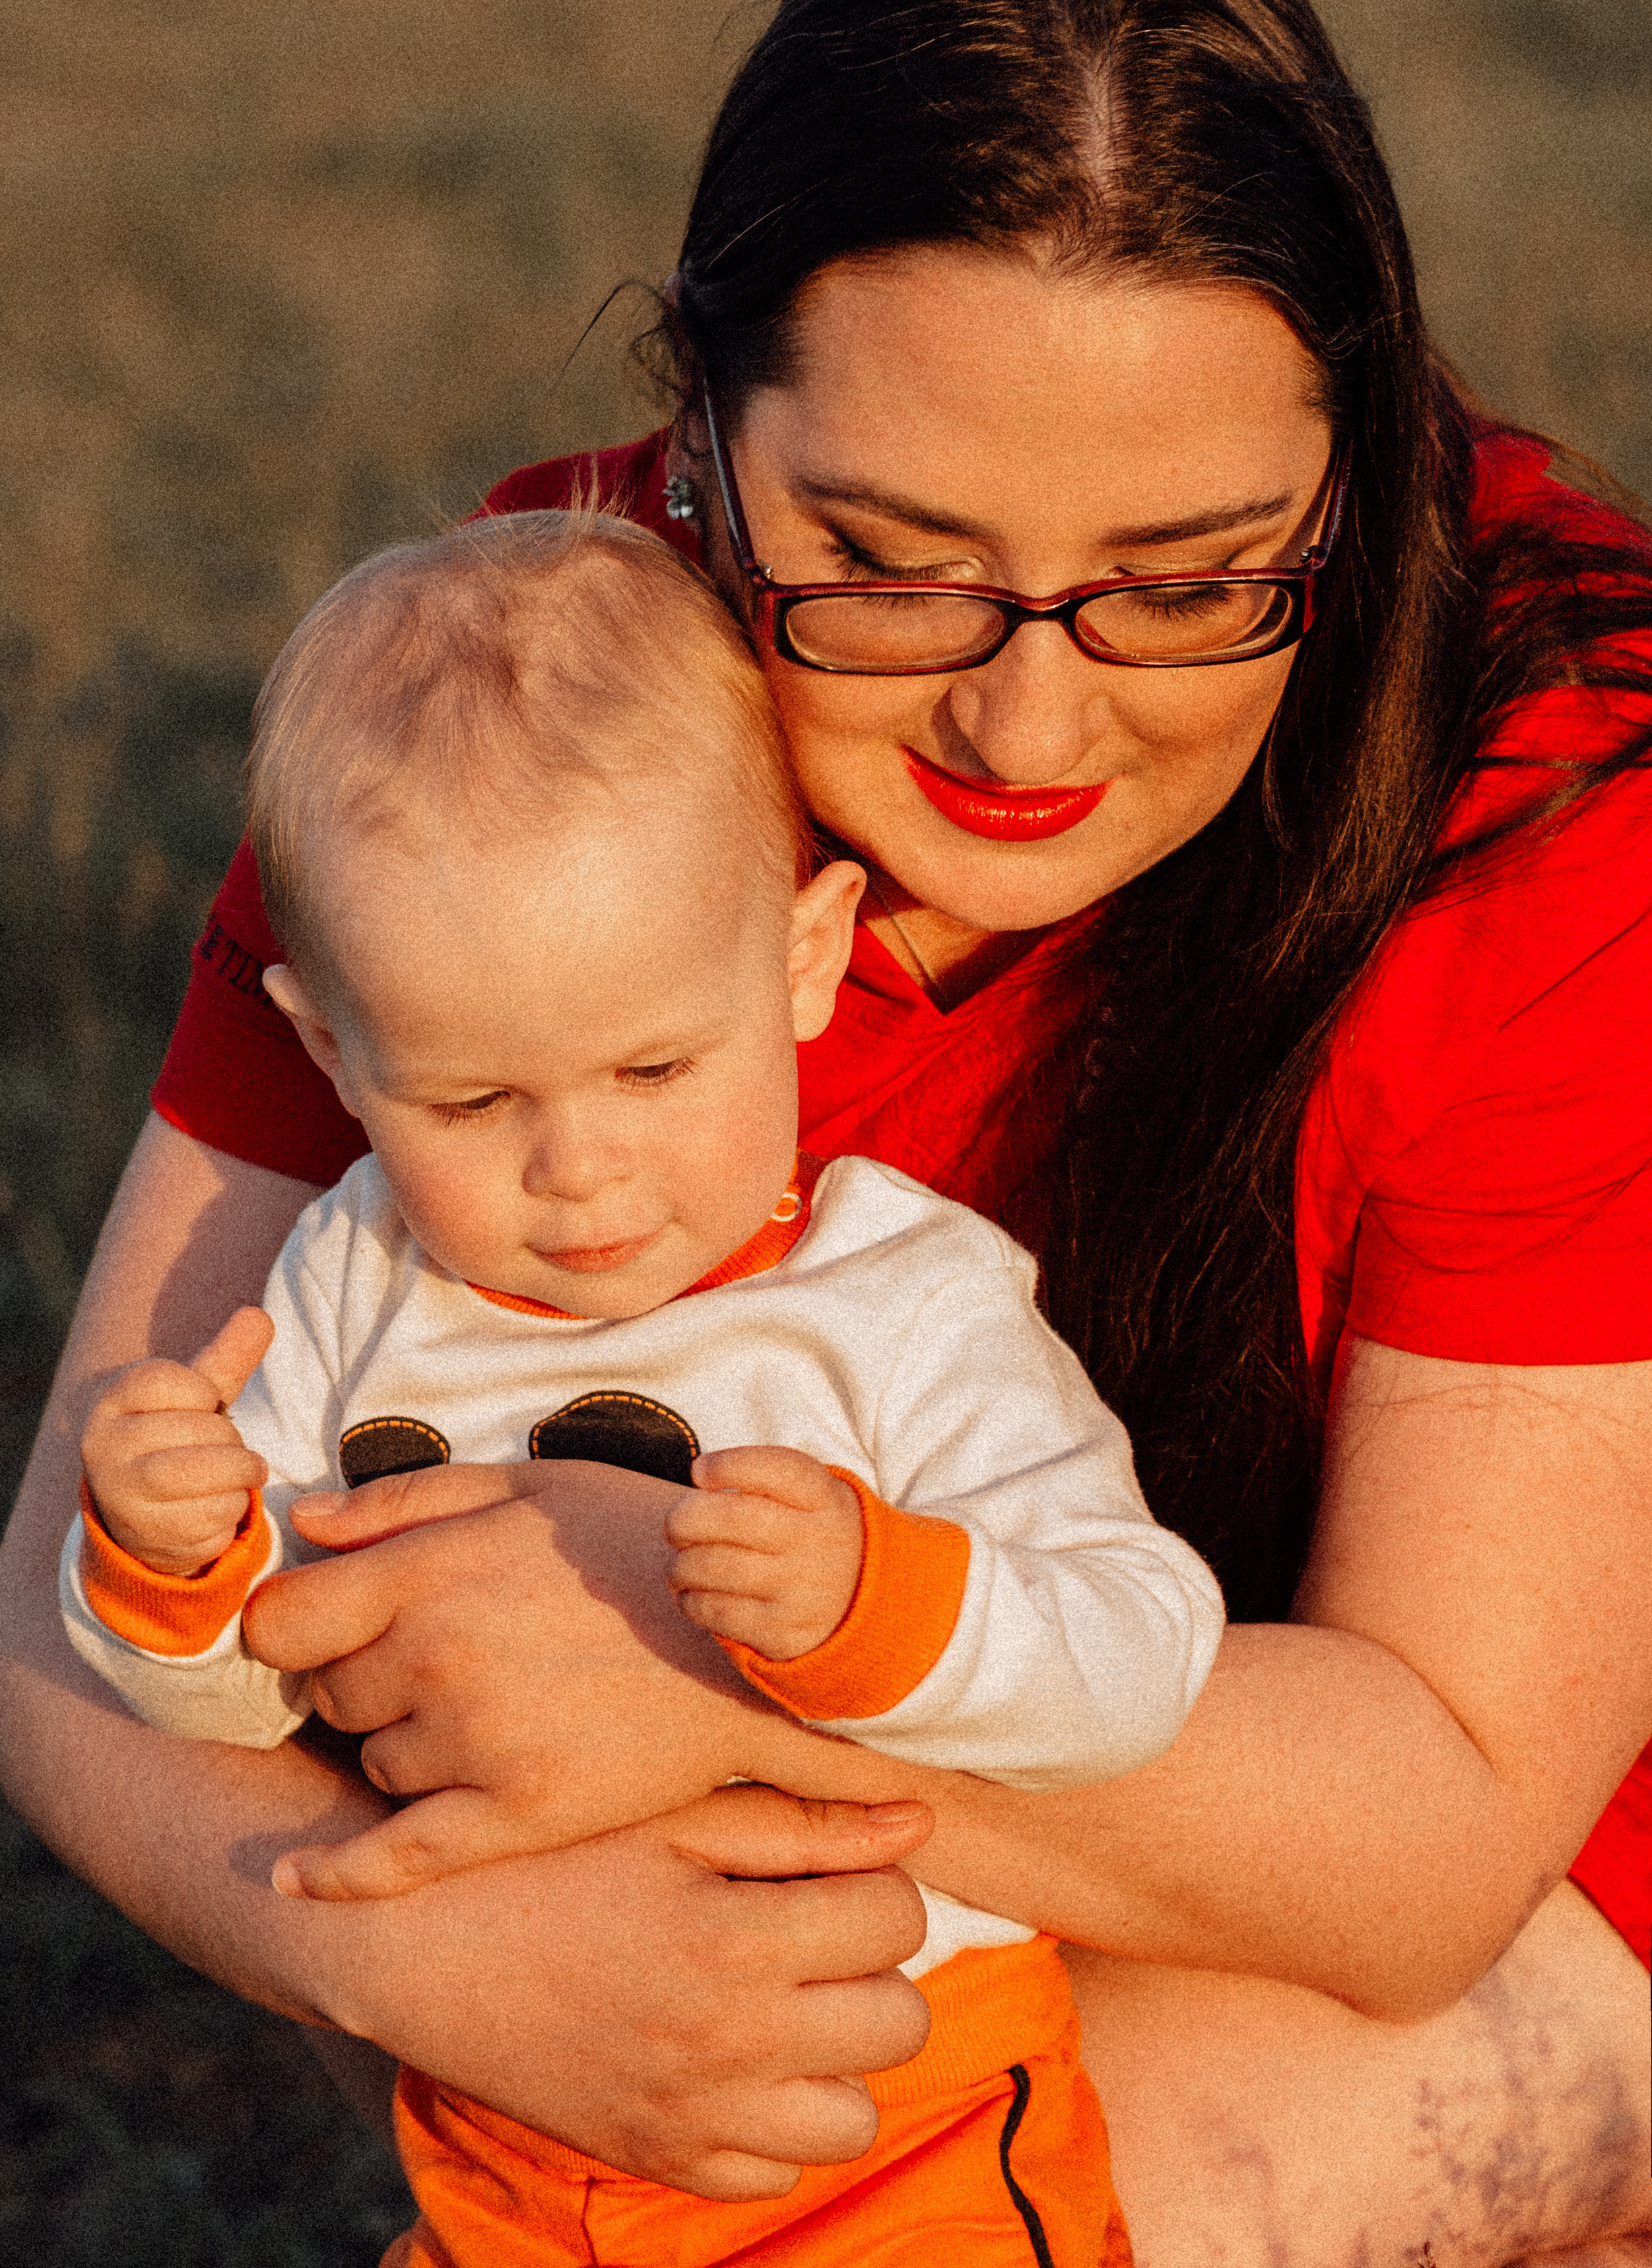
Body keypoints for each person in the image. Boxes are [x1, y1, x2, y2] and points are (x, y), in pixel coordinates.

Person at [3, 0, 1651, 2268]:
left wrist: (689, 1666)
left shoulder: (1554, 799)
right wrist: (401, 1950)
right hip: (911, 1892)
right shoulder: (498, 751)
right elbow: (56, 1621)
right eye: (886, 558)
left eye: (1193, 578)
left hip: (1509, 1907)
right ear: (698, 430)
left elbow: (1426, 1845)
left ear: (1362, 471)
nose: (1031, 714)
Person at [61, 507, 1224, 2263]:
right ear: (332, 1053)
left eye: (658, 1064)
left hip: (883, 2146)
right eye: (471, 1103)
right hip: (513, 2129)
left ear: (805, 962)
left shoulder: (897, 1310)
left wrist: (875, 1611)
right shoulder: (353, 1287)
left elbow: (1137, 1656)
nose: (580, 1170)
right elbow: (236, 1713)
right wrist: (174, 1567)